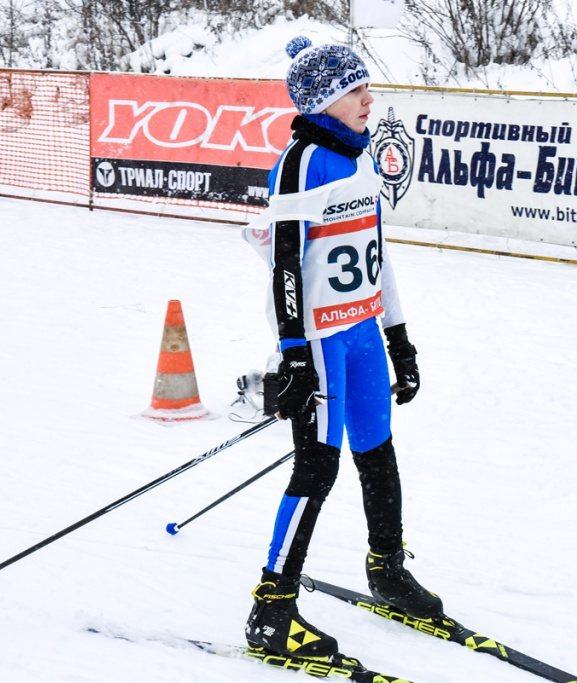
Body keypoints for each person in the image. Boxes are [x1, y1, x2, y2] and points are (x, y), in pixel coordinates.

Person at [240, 37, 442, 659]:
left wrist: (399, 339)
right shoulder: (303, 162)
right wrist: (294, 351)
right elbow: (286, 267)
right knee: (317, 467)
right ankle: (271, 611)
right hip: (322, 340)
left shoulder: (364, 158)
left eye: (366, 87)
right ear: (325, 100)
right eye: (356, 90)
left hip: (362, 338)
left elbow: (378, 260)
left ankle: (386, 569)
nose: (368, 98)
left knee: (377, 452)